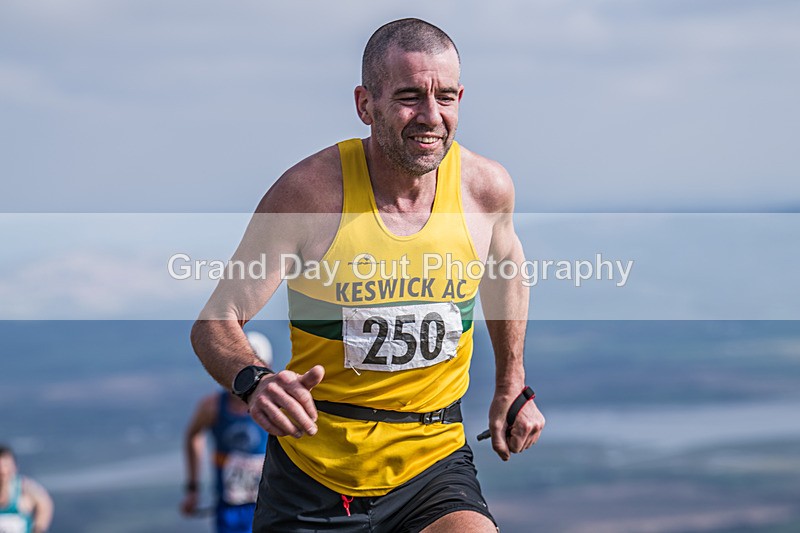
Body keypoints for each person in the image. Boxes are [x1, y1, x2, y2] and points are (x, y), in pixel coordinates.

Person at [191, 18, 546, 532]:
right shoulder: (309, 196)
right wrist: (255, 382)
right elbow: (215, 322)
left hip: (433, 464)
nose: (431, 116)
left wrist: (511, 383)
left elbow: (505, 272)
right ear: (365, 104)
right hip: (314, 476)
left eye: (445, 97)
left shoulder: (485, 189)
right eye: (409, 97)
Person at [180, 331, 272, 533]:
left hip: (270, 505)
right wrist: (193, 487)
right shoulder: (212, 407)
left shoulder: (276, 406)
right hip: (230, 508)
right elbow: (193, 435)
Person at [0, 445, 53, 533]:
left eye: (7, 466)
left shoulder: (24, 489)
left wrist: (39, 528)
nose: (3, 471)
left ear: (15, 467)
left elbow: (45, 503)